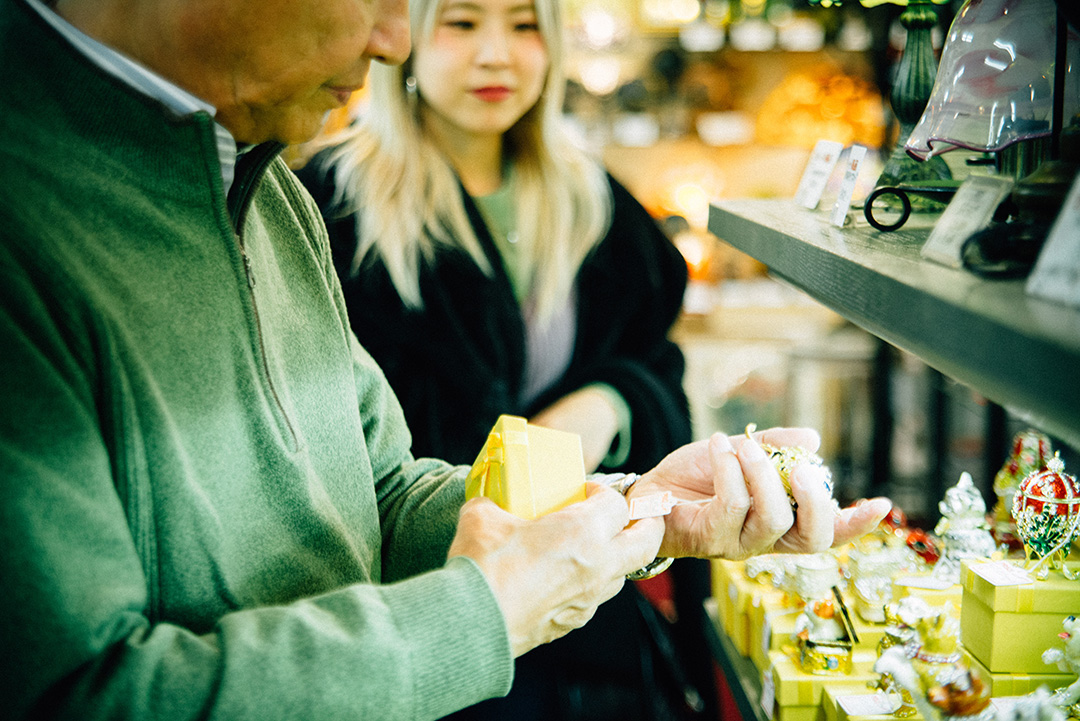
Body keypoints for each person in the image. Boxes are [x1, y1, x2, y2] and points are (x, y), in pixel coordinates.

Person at [0, 0, 892, 719]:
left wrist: (638, 506)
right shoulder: (35, 221)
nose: (397, 38)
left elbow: (380, 495)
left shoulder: (266, 189)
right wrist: (487, 614)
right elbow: (78, 691)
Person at [293, 0, 703, 716]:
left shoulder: (587, 195)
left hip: (584, 598)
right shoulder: (331, 203)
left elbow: (650, 351)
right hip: (422, 607)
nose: (496, 54)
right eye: (461, 23)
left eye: (522, 26)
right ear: (408, 37)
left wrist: (604, 404)